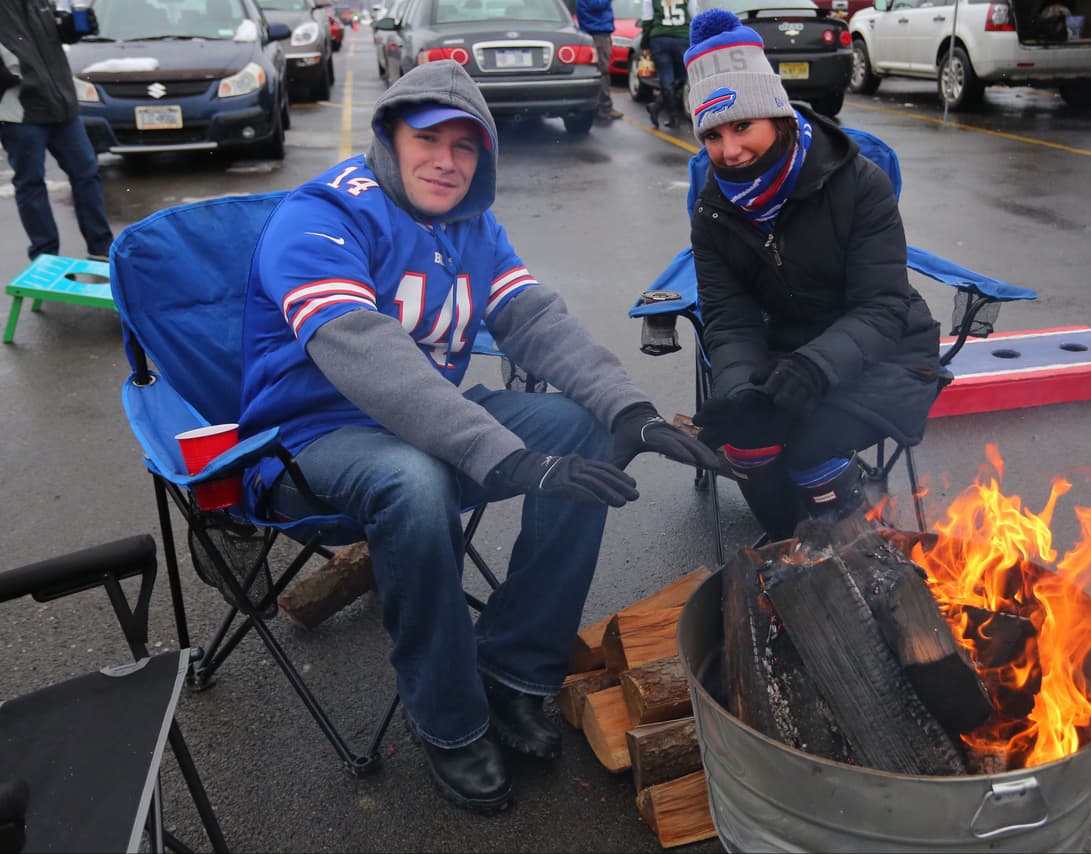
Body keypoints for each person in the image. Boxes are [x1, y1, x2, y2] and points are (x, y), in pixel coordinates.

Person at [239, 60, 718, 815]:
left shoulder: (472, 227)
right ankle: (450, 721)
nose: (447, 160)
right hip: (312, 438)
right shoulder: (321, 216)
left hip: (431, 423)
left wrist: (634, 413)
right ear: (389, 137)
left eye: (467, 146)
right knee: (412, 483)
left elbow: (535, 322)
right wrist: (510, 457)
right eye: (428, 138)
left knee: (584, 430)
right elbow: (368, 349)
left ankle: (516, 669)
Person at [684, 9, 942, 541]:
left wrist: (814, 368)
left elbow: (884, 306)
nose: (729, 151)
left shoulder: (857, 182)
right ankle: (791, 553)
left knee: (807, 443)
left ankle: (857, 553)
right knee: (748, 442)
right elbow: (730, 321)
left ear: (775, 116)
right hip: (786, 356)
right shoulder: (713, 211)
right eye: (712, 134)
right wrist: (738, 388)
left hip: (887, 355)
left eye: (741, 126)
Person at [0, 0, 113, 262]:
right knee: (31, 183)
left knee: (87, 173)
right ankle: (46, 256)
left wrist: (72, 28)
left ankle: (101, 248)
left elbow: (56, 36)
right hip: (20, 110)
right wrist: (12, 77)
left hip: (61, 105)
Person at [639, 0, 698, 129]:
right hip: (682, 39)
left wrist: (644, 44)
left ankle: (667, 113)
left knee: (667, 79)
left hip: (660, 39)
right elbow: (695, 16)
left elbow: (647, 21)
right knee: (681, 78)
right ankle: (665, 112)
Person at [576, 0, 623, 123]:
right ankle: (604, 107)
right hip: (597, 30)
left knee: (597, 69)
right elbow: (595, 4)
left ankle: (597, 105)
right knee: (602, 70)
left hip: (595, 29)